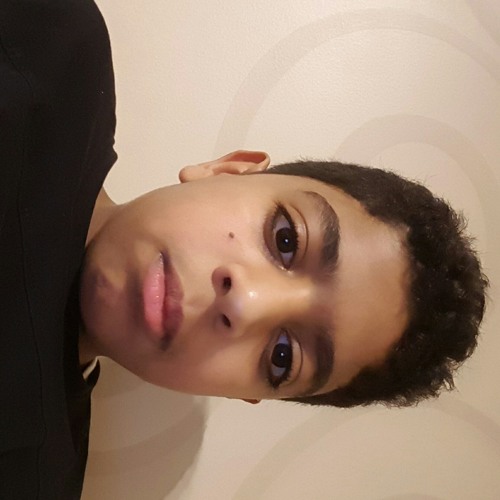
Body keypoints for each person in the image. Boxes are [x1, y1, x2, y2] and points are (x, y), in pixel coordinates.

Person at [0, 0, 488, 498]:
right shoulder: (48, 44)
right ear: (227, 170)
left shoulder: (30, 480)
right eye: (285, 240)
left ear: (243, 393)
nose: (244, 304)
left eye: (282, 357)